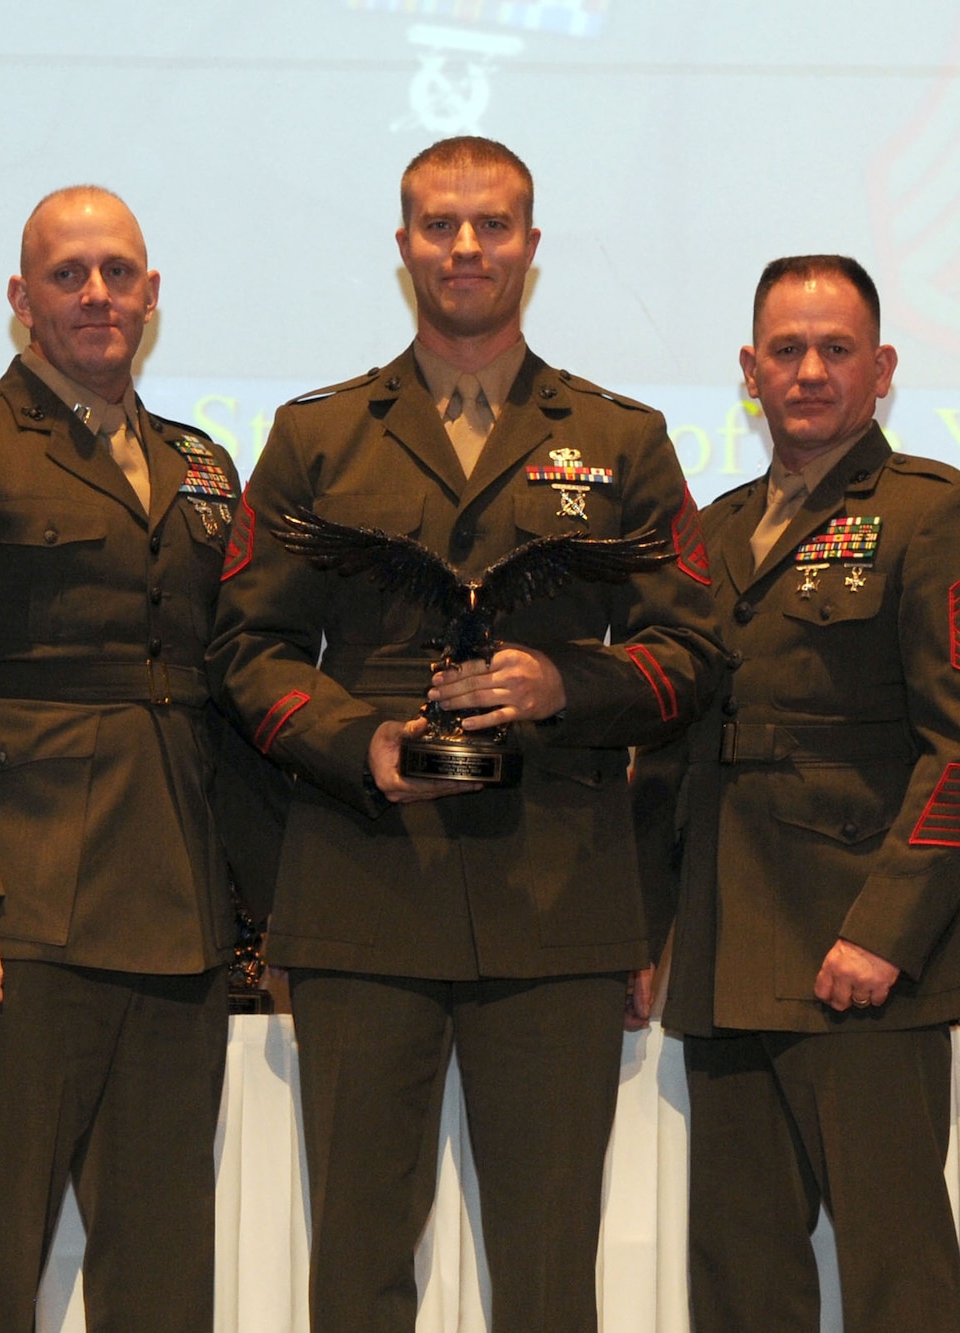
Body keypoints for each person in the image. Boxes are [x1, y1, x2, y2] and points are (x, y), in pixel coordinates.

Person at [207, 136, 721, 1332]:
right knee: (356, 1262)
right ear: (403, 249)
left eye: (491, 225)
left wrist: (564, 686)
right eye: (440, 225)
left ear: (531, 249)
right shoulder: (316, 436)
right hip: (363, 885)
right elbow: (246, 646)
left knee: (547, 1274)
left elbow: (691, 650)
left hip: (558, 897)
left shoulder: (623, 439)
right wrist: (355, 739)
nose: (466, 247)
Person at [0, 185, 272, 1332]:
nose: (96, 294)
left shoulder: (200, 462)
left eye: (117, 272)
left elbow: (222, 688)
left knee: (163, 1269)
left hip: (176, 910)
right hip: (15, 909)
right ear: (20, 298)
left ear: (151, 294)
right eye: (68, 272)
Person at [637, 255, 960, 1332]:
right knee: (737, 1280)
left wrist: (885, 935)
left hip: (861, 962)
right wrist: (648, 929)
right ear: (748, 370)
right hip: (725, 960)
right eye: (786, 350)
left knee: (896, 1279)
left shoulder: (934, 514)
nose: (808, 371)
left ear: (882, 367)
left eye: (835, 349)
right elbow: (670, 756)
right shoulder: (708, 532)